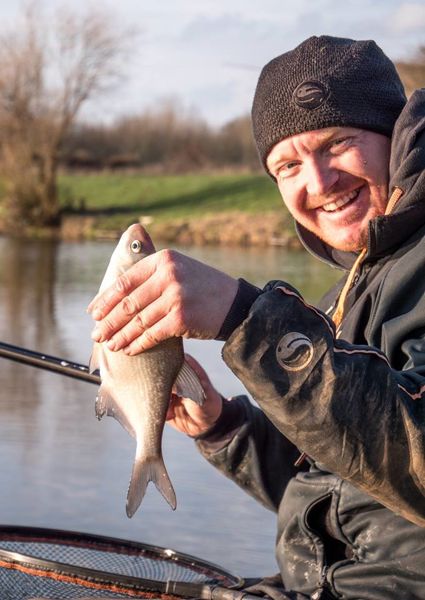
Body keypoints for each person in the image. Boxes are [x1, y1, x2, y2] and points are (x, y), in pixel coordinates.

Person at [88, 35, 425, 599]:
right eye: (288, 164)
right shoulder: (351, 288)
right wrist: (225, 427)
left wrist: (246, 317)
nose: (318, 183)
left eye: (338, 143)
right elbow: (341, 485)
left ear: (396, 137)